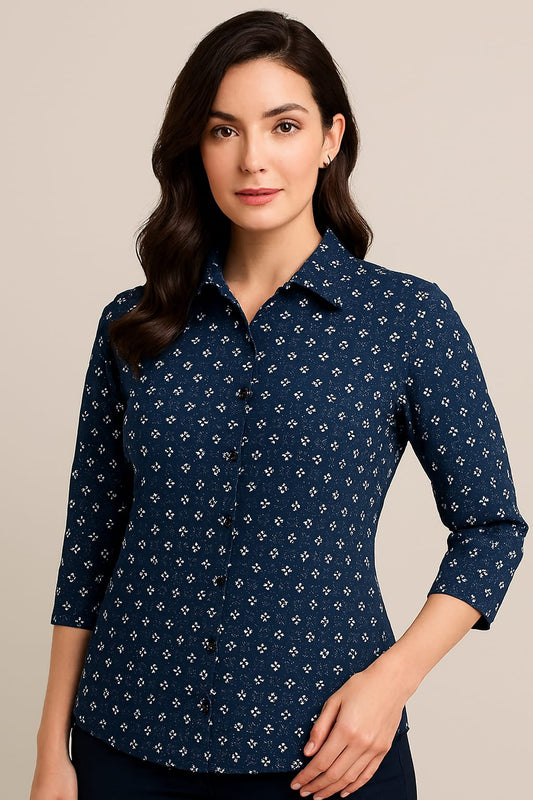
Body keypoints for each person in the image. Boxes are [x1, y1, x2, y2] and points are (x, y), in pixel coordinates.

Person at [30, 9, 528, 800]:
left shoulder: (405, 318)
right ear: (195, 146)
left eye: (283, 126)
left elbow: (492, 528)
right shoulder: (135, 322)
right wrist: (51, 749)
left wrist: (390, 683)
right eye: (223, 130)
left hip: (325, 750)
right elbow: (88, 545)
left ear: (330, 138)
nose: (253, 159)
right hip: (122, 741)